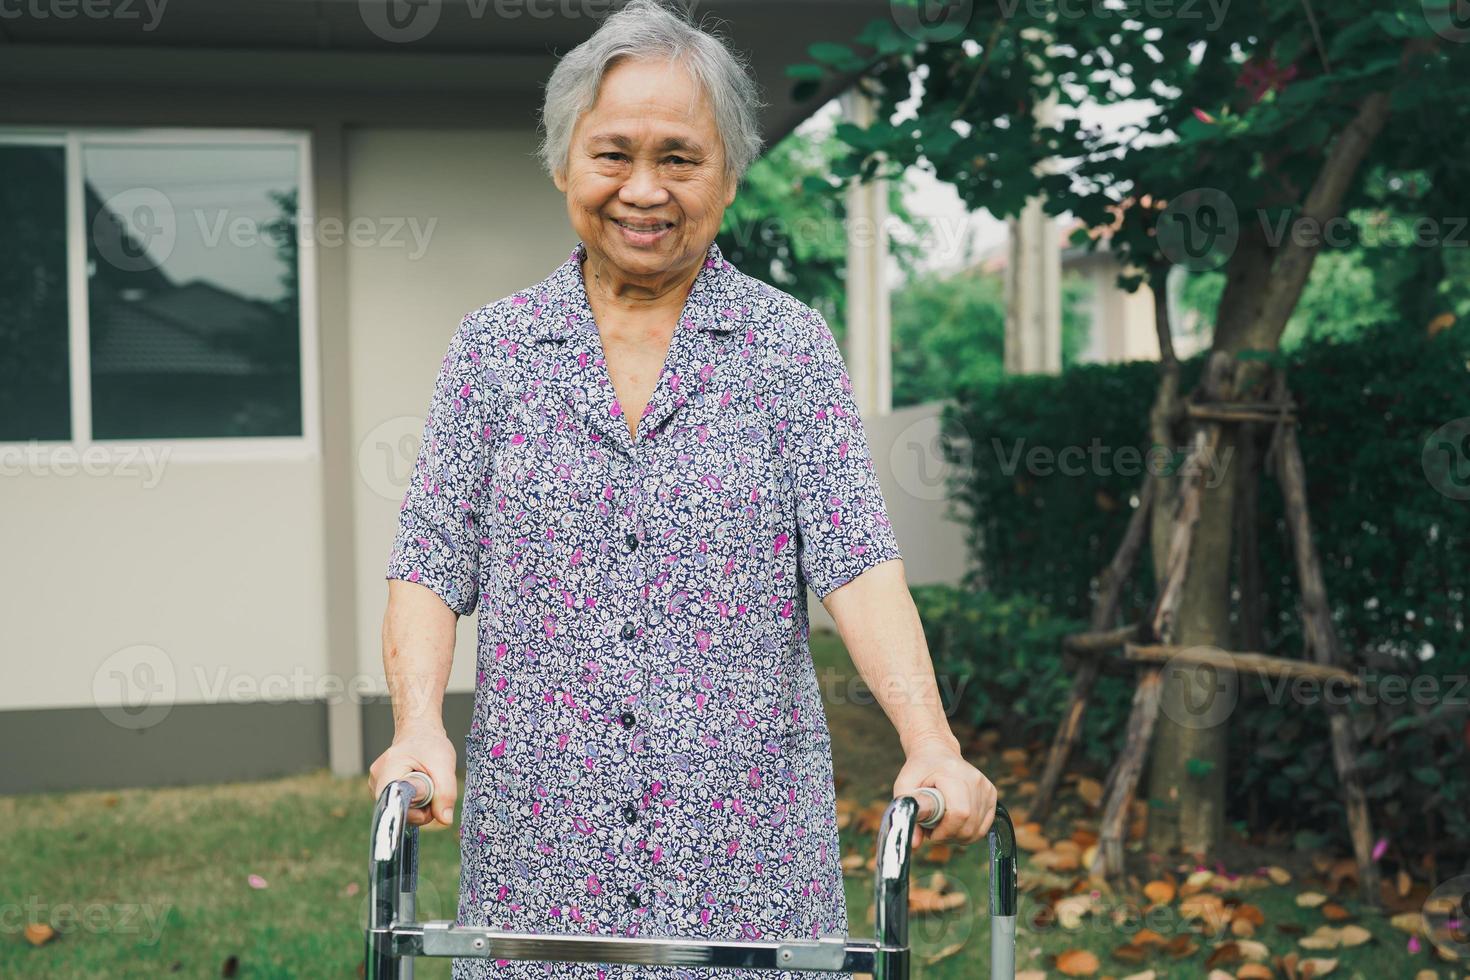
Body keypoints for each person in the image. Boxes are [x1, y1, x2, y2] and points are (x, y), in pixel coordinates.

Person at [368, 1, 996, 976]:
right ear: (563, 163)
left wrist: (931, 741)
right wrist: (416, 729)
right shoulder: (493, 350)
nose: (644, 189)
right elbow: (430, 557)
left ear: (731, 174)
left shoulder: (787, 349)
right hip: (543, 857)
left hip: (744, 856)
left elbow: (857, 560)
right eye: (613, 154)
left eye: (681, 157)